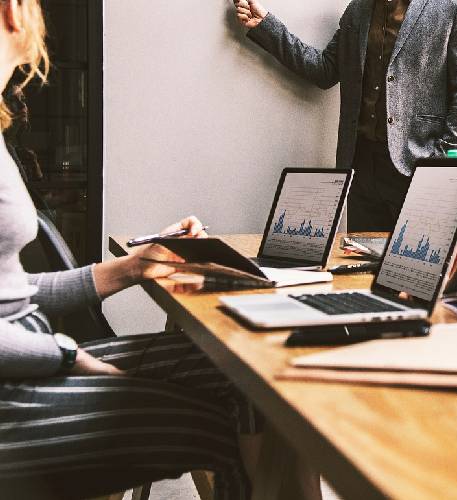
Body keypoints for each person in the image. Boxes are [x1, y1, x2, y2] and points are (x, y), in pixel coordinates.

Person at [0, 1, 278, 498]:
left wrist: (132, 268)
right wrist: (69, 358)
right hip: (16, 394)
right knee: (230, 421)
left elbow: (10, 294)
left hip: (29, 366)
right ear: (15, 11)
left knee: (254, 369)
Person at [232, 0, 457, 231]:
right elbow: (324, 70)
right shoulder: (359, 8)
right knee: (360, 271)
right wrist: (266, 25)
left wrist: (442, 160)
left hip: (418, 167)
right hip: (360, 168)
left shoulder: (454, 6)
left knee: (414, 271)